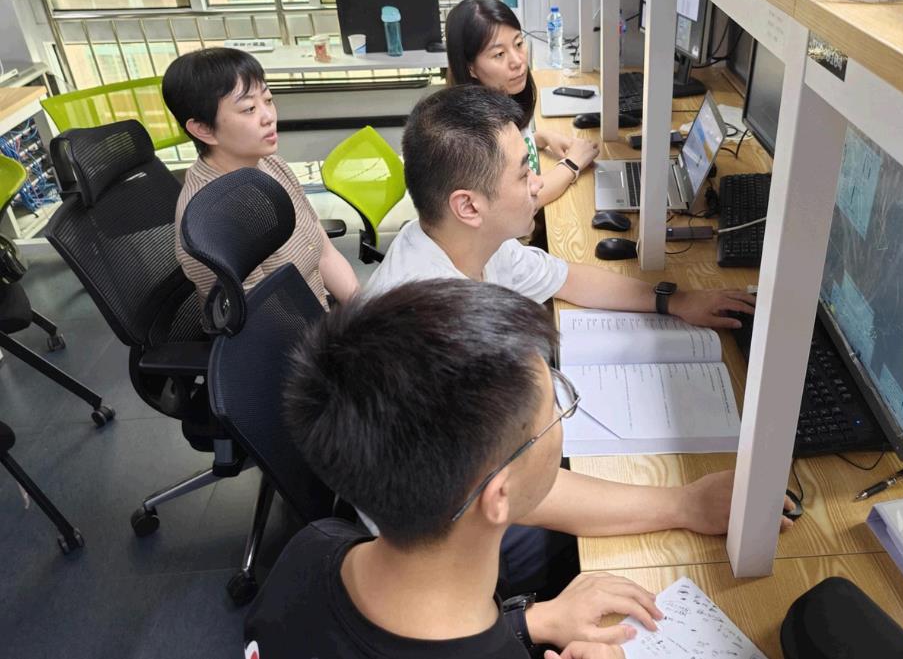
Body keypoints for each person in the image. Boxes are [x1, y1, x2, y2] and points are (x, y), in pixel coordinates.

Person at [361, 85, 794, 587]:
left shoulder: (459, 239)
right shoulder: (436, 337)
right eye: (523, 174)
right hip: (439, 546)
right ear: (468, 205)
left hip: (478, 478)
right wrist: (685, 503)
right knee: (652, 559)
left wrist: (672, 300)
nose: (536, 185)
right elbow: (522, 491)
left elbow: (567, 278)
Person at [246, 279, 654, 659]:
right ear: (500, 494)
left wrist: (532, 622)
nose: (560, 420)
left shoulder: (312, 546)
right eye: (554, 412)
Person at [163, 47, 359, 310]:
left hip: (320, 311)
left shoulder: (270, 164)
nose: (269, 117)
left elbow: (323, 253)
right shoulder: (211, 221)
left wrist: (365, 310)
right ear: (204, 129)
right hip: (292, 331)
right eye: (249, 109)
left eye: (268, 100)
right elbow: (266, 317)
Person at [446, 0, 599, 208]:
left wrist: (541, 138)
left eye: (518, 44)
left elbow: (509, 156)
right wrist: (572, 164)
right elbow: (524, 202)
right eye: (499, 54)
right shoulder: (477, 136)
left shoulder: (500, 99)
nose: (518, 61)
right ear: (470, 67)